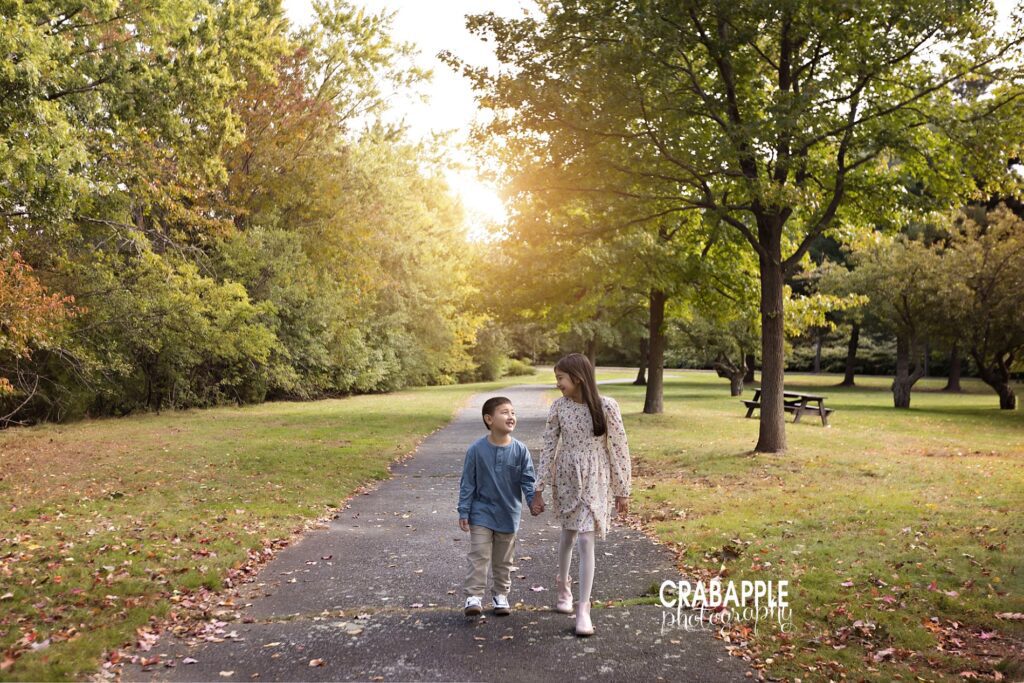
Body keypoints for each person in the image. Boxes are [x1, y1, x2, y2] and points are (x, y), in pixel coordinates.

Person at [530, 353, 632, 636]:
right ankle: (563, 585)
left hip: (596, 477)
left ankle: (583, 609)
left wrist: (622, 489)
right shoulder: (559, 408)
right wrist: (539, 487)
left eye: (560, 378)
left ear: (577, 377)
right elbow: (549, 447)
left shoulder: (606, 406)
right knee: (569, 533)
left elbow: (619, 448)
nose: (558, 384)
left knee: (587, 539)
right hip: (567, 477)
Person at [457, 396, 538, 617]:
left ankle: (500, 595)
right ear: (489, 419)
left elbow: (528, 481)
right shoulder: (476, 450)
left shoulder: (520, 450)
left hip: (508, 514)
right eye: (504, 412)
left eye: (513, 412)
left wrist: (533, 501)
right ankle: (473, 596)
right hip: (481, 512)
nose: (511, 416)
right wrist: (464, 510)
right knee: (479, 554)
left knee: (504, 559)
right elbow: (468, 483)